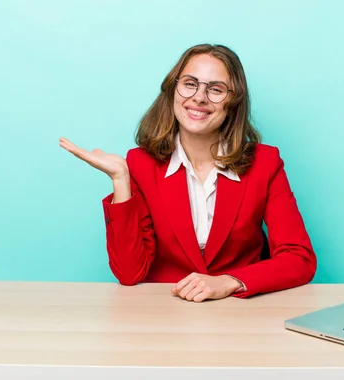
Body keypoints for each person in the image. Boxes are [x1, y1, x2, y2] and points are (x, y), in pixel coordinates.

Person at [59, 43, 316, 302]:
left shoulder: (265, 163)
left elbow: (299, 258)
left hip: (239, 311)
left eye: (215, 89)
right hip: (164, 310)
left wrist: (230, 282)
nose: (199, 97)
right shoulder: (140, 163)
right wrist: (120, 180)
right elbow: (129, 273)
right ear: (173, 89)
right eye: (190, 84)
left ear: (233, 102)